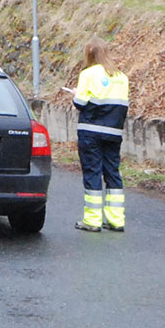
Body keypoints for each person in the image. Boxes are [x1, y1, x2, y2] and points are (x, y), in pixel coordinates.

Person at [61, 39, 130, 233]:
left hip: (91, 132)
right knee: (112, 173)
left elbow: (81, 103)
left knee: (93, 173)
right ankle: (116, 220)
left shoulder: (88, 74)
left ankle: (92, 220)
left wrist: (75, 94)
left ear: (89, 54)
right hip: (114, 133)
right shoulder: (121, 76)